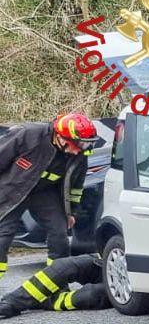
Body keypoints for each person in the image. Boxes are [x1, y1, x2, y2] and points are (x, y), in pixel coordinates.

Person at [0, 113, 97, 280]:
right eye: (78, 144)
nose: (79, 149)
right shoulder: (27, 135)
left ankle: (56, 283)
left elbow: (76, 186)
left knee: (60, 235)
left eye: (85, 144)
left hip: (45, 193)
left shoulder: (80, 154)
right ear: (59, 136)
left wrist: (71, 212)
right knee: (3, 236)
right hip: (12, 191)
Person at [0, 254, 110, 318]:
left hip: (124, 290)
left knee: (92, 294)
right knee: (63, 266)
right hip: (114, 264)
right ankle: (12, 302)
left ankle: (45, 301)